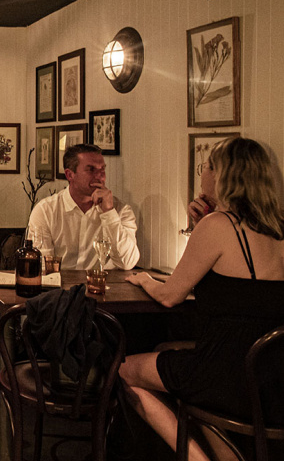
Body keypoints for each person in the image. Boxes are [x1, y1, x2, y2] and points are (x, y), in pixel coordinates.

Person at [120, 137, 284, 461]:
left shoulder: (218, 225)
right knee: (165, 351)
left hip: (227, 374)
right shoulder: (278, 226)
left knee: (123, 369)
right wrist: (200, 225)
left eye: (206, 166)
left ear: (222, 174)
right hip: (272, 376)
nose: (203, 173)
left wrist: (144, 279)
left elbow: (170, 296)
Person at [27, 143, 139, 270]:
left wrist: (108, 213)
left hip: (103, 282)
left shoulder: (121, 210)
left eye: (102, 169)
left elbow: (127, 263)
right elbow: (41, 266)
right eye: (91, 169)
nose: (100, 176)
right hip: (59, 282)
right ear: (70, 175)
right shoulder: (46, 211)